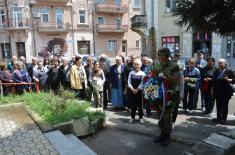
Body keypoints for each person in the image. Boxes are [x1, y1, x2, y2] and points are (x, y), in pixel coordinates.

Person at [153, 47, 180, 146]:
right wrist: (154, 76)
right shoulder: (158, 65)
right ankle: (162, 133)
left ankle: (167, 136)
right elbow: (155, 78)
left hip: (169, 94)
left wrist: (166, 76)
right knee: (159, 114)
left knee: (167, 115)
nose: (160, 57)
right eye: (159, 55)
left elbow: (176, 81)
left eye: (162, 54)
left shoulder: (174, 66)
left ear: (167, 55)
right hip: (159, 94)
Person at [213, 59, 235, 124]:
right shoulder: (216, 71)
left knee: (225, 106)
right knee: (218, 105)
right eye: (219, 63)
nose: (220, 64)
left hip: (226, 92)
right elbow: (214, 81)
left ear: (225, 64)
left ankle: (223, 119)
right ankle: (218, 117)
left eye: (221, 63)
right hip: (218, 91)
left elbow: (234, 79)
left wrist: (229, 79)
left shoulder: (229, 71)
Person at [128, 59, 145, 124]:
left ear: (140, 65)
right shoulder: (131, 73)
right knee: (133, 105)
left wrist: (137, 89)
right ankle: (132, 117)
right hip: (132, 92)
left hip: (139, 92)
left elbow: (142, 83)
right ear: (134, 65)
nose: (136, 66)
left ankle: (141, 117)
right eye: (135, 64)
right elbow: (129, 82)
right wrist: (132, 89)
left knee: (140, 105)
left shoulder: (143, 73)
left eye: (138, 65)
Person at [171, 53, 185, 128]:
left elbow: (182, 84)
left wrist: (181, 95)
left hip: (176, 92)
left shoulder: (180, 72)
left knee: (175, 108)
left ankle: (173, 121)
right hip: (169, 92)